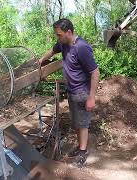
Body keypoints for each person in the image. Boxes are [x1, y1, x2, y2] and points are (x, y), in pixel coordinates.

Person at [38, 18, 99, 168]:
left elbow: (95, 72)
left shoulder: (81, 47)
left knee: (83, 124)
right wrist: (40, 61)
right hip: (71, 91)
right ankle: (80, 147)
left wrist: (91, 97)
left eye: (59, 35)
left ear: (69, 32)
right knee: (77, 123)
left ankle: (82, 153)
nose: (57, 38)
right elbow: (52, 51)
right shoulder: (63, 44)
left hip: (82, 91)